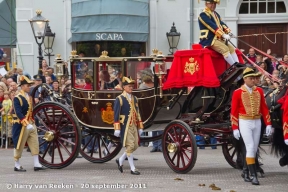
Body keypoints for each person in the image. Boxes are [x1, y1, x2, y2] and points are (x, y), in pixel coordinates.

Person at [230, 67, 272, 185]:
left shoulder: (258, 91)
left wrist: (268, 124)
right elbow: (234, 111)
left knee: (253, 148)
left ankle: (245, 171)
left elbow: (264, 108)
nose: (253, 80)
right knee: (250, 146)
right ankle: (253, 175)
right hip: (244, 121)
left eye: (254, 78)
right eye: (251, 78)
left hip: (257, 121)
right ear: (245, 79)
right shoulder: (238, 92)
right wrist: (235, 128)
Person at [12, 75, 46, 172]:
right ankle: (17, 164)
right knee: (19, 144)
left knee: (35, 142)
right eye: (27, 85)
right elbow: (18, 112)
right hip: (21, 125)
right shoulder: (17, 98)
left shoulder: (29, 97)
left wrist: (31, 122)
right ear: (22, 86)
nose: (29, 87)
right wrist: (26, 123)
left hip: (31, 122)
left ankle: (36, 163)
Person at [114, 76, 143, 175]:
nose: (131, 88)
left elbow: (137, 112)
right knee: (130, 146)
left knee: (135, 145)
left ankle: (120, 160)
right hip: (125, 126)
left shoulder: (135, 98)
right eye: (129, 86)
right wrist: (117, 128)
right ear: (124, 87)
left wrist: (140, 126)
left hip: (134, 125)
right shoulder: (120, 98)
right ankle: (132, 168)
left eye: (132, 86)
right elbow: (116, 114)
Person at [198, 0, 239, 66]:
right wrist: (223, 35)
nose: (213, 5)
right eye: (211, 3)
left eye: (214, 3)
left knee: (231, 48)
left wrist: (228, 31)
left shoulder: (216, 14)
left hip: (218, 39)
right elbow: (211, 26)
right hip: (209, 39)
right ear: (206, 4)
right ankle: (234, 67)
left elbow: (221, 24)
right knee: (225, 49)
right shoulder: (203, 15)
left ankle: (238, 65)